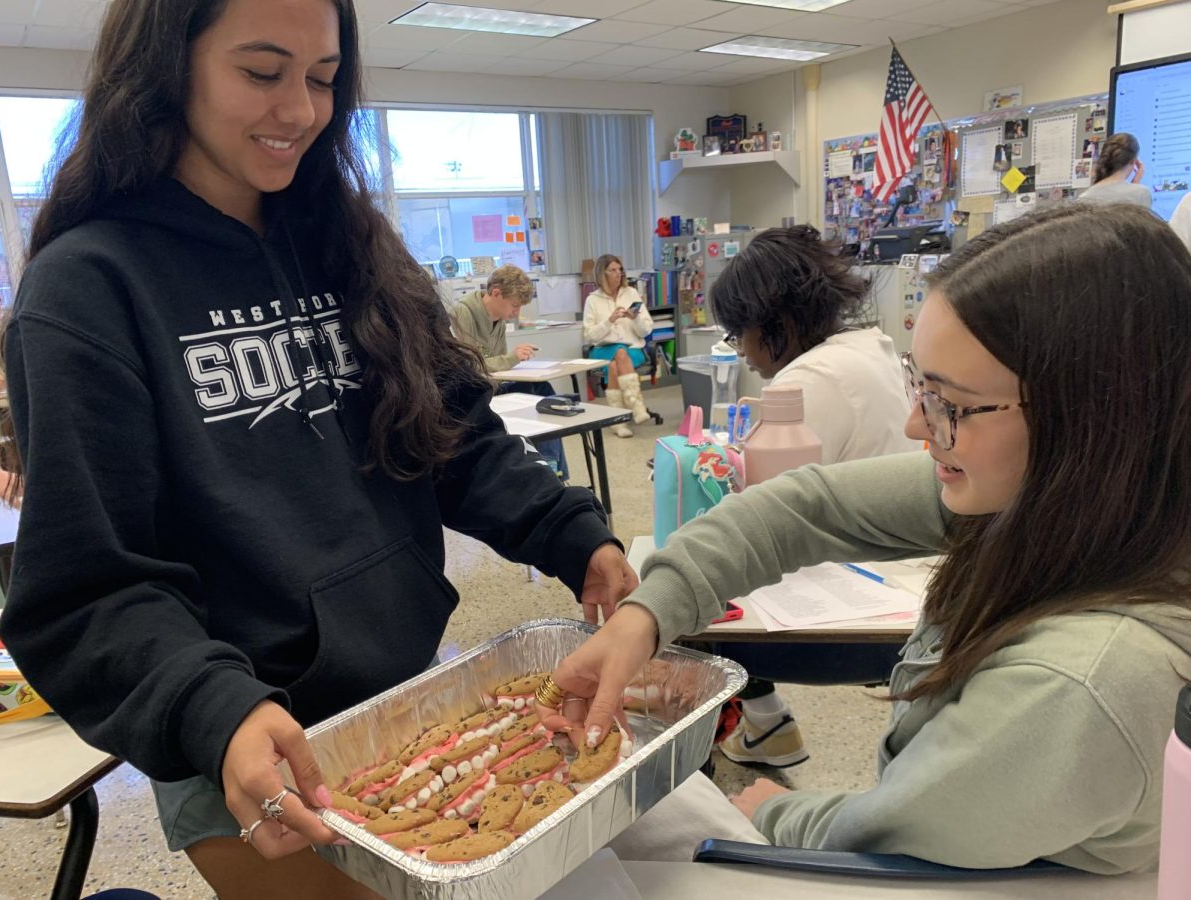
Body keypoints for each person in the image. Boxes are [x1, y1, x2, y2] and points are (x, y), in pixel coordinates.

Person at [0, 1, 636, 898]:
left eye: (325, 78)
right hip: (241, 742)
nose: (300, 109)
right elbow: (87, 593)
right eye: (262, 72)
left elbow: (448, 437)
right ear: (166, 69)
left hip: (403, 692)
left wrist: (577, 534)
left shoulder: (353, 246)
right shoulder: (89, 290)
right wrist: (215, 712)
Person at [545, 203, 1191, 873]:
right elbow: (807, 507)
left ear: (1087, 418)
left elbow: (895, 824)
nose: (916, 425)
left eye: (950, 403)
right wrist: (645, 616)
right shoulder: (1078, 499)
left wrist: (768, 808)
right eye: (919, 385)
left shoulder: (1077, 688)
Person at [710, 226, 918, 768]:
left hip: (862, 605)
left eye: (740, 335)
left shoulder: (805, 381)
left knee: (700, 602)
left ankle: (763, 723)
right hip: (906, 577)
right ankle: (767, 726)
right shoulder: (870, 348)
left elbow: (763, 514)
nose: (743, 353)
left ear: (774, 324)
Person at [451, 264, 568, 480]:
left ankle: (554, 468)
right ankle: (552, 469)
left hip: (496, 385)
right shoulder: (463, 313)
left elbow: (497, 367)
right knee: (540, 397)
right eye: (514, 306)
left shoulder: (500, 322)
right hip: (476, 391)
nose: (516, 313)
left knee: (544, 390)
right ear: (496, 293)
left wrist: (510, 363)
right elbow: (470, 366)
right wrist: (512, 358)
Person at [582, 254, 653, 438]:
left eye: (620, 270)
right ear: (602, 274)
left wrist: (635, 318)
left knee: (618, 360)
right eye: (612, 270)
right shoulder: (592, 300)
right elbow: (589, 336)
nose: (618, 274)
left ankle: (618, 421)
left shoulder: (631, 294)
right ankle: (636, 406)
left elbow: (646, 331)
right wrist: (609, 321)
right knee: (618, 354)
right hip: (602, 350)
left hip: (633, 350)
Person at [1078, 132, 1151, 208]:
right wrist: (1135, 186)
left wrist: (1134, 185)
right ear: (1133, 161)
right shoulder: (1141, 193)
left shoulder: (1083, 198)